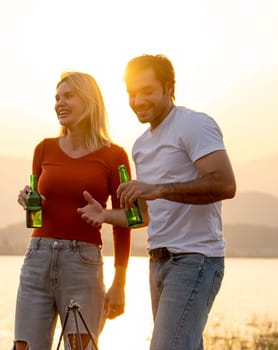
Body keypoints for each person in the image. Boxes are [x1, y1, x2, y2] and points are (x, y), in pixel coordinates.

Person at [79, 54, 236, 350]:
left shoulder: (194, 125)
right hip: (159, 262)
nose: (138, 101)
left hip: (195, 259)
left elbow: (225, 184)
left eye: (146, 91)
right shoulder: (141, 146)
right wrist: (106, 215)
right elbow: (145, 216)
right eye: (131, 93)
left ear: (168, 87)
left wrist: (160, 188)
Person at [13, 71, 132, 350]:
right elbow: (36, 220)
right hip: (37, 260)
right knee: (24, 347)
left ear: (89, 101)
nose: (59, 103)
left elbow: (124, 221)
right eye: (57, 98)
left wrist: (119, 282)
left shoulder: (114, 156)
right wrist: (31, 203)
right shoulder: (43, 149)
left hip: (83, 264)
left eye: (68, 96)